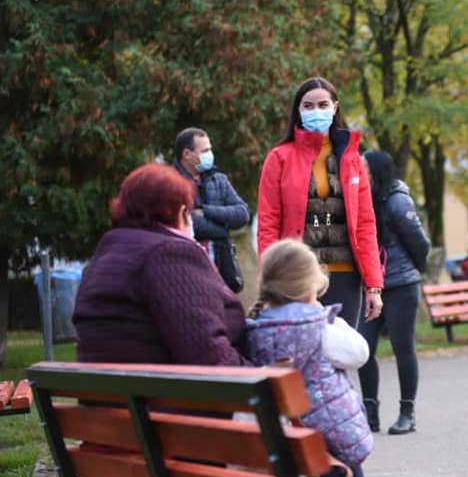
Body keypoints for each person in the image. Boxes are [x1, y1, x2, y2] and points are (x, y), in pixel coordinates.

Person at [74, 163, 248, 366]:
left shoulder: (110, 251)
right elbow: (208, 356)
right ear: (182, 211)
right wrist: (268, 376)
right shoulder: (170, 254)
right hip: (165, 395)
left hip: (116, 393)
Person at [243, 239, 373, 477]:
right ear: (310, 287)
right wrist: (326, 315)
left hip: (284, 445)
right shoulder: (319, 327)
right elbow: (359, 353)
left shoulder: (255, 330)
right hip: (330, 446)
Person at [257, 77, 384, 328]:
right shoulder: (279, 158)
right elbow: (268, 223)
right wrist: (269, 277)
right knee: (300, 351)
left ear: (335, 108)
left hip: (345, 274)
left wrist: (374, 285)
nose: (316, 111)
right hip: (297, 274)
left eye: (323, 105)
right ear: (298, 111)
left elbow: (365, 225)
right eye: (308, 106)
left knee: (340, 355)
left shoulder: (352, 160)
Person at [358, 150, 431, 436]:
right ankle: (369, 413)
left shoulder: (397, 200)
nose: (358, 171)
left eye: (363, 167)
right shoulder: (360, 197)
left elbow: (420, 242)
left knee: (403, 347)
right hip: (369, 286)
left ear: (376, 171)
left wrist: (413, 270)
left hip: (401, 284)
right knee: (363, 348)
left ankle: (407, 412)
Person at [173, 127, 250, 292]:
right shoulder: (172, 183)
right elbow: (192, 225)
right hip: (189, 268)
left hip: (223, 269)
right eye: (205, 150)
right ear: (187, 154)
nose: (210, 154)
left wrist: (206, 211)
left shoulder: (218, 180)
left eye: (210, 149)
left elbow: (242, 214)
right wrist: (224, 229)